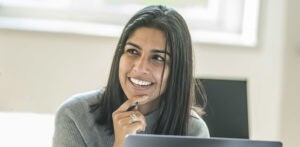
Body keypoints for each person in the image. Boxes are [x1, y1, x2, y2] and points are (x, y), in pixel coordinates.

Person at [53, 5, 209, 147]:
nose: (140, 68)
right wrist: (122, 144)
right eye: (133, 51)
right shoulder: (74, 116)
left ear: (177, 70)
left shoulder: (193, 130)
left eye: (158, 58)